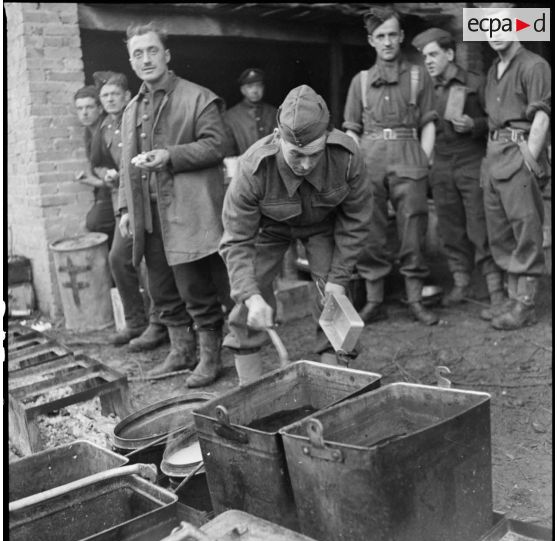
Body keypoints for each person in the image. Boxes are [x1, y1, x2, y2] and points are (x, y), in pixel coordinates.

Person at [220, 85, 372, 384]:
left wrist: (338, 280)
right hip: (270, 230)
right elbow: (237, 240)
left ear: (326, 139)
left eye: (313, 155)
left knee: (334, 301)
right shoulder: (253, 168)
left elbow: (356, 221)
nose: (304, 165)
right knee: (249, 295)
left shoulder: (347, 157)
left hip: (322, 226)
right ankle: (248, 389)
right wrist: (251, 297)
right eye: (296, 155)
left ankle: (335, 385)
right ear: (278, 137)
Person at [118, 22, 232, 386]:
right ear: (131, 61)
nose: (145, 59)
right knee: (161, 287)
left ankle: (210, 357)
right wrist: (124, 210)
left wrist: (170, 155)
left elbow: (218, 145)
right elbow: (125, 166)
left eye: (152, 51)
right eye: (138, 53)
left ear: (166, 56)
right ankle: (181, 351)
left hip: (186, 208)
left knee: (194, 287)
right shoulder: (132, 108)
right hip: (147, 212)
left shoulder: (197, 97)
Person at [343, 7, 439, 326]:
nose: (387, 42)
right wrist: (356, 165)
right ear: (371, 41)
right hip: (370, 155)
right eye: (380, 36)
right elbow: (351, 130)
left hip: (409, 152)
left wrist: (424, 161)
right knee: (371, 228)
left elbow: (428, 123)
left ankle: (414, 299)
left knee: (413, 224)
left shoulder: (418, 75)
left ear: (401, 37)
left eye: (392, 35)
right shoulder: (359, 82)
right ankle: (374, 300)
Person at [411, 28, 504, 312]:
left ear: (450, 54)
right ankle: (461, 282)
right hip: (440, 164)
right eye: (424, 56)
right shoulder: (424, 88)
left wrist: (473, 125)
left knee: (480, 225)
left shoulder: (476, 82)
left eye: (433, 54)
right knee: (450, 227)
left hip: (470, 161)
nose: (428, 61)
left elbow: (498, 121)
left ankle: (495, 288)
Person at [481, 7, 551, 329]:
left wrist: (529, 162)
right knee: (501, 231)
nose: (495, 31)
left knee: (526, 230)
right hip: (494, 156)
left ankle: (525, 303)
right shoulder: (493, 69)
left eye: (502, 23)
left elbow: (542, 116)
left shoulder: (534, 65)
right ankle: (512, 296)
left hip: (520, 154)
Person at [90, 71, 169, 348]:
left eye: (115, 94)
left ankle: (161, 324)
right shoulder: (103, 129)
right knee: (118, 259)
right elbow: (97, 162)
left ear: (126, 96)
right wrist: (107, 175)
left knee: (155, 264)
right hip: (125, 206)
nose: (110, 99)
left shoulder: (141, 118)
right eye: (105, 96)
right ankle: (136, 322)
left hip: (152, 200)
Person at [73, 86, 115, 246]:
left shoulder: (107, 131)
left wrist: (95, 181)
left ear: (100, 108)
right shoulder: (89, 132)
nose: (84, 112)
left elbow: (121, 172)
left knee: (95, 222)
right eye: (80, 108)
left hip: (119, 191)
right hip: (106, 189)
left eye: (89, 107)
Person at [223, 68, 277, 157]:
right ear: (243, 90)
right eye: (250, 87)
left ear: (263, 88)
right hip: (245, 168)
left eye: (258, 86)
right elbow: (229, 153)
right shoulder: (230, 116)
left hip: (272, 168)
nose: (255, 90)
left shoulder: (273, 112)